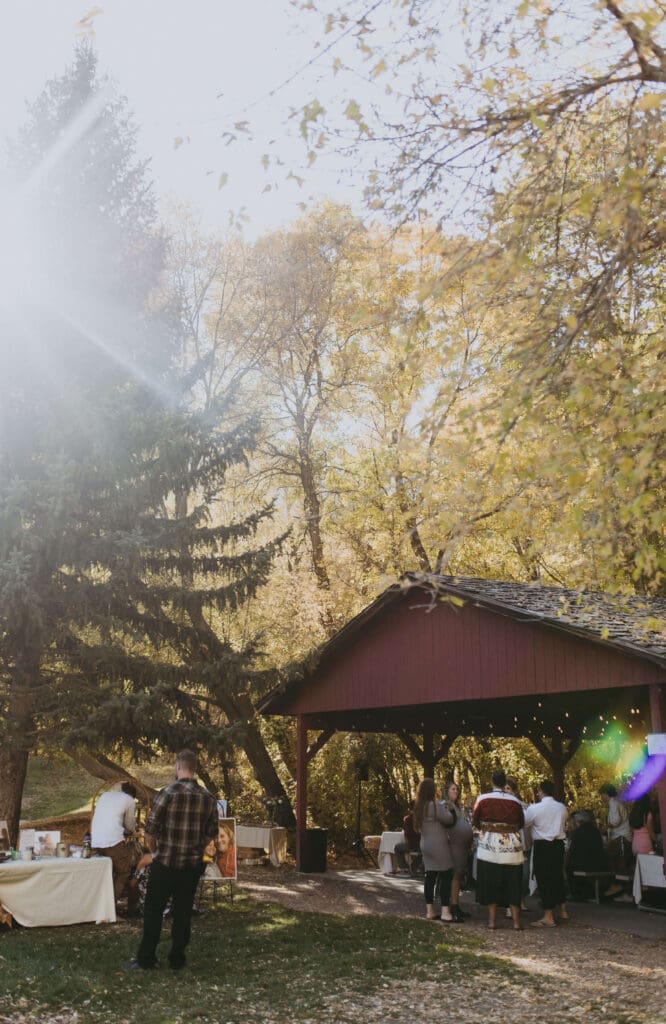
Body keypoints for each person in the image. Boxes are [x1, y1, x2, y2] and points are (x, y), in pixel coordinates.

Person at [128, 750, 218, 972]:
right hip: (192, 864)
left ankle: (146, 959)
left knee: (153, 910)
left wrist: (155, 851)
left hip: (166, 862)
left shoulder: (166, 793)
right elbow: (211, 832)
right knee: (183, 912)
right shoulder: (208, 797)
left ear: (178, 767)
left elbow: (150, 830)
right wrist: (196, 847)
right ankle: (177, 959)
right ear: (194, 768)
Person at [472, 768, 524, 931]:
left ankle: (492, 922)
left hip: (490, 847)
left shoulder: (483, 798)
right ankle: (516, 922)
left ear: (492, 782)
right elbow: (521, 822)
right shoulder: (515, 801)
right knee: (513, 883)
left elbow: (475, 820)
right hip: (511, 847)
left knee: (490, 882)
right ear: (504, 783)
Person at [524, 780, 568, 927]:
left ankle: (548, 916)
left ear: (541, 791)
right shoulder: (562, 808)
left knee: (544, 879)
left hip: (543, 846)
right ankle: (563, 909)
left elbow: (524, 821)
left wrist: (526, 809)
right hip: (558, 845)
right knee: (557, 876)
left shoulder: (535, 808)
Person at [413, 778, 456, 922]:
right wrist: (449, 809)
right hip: (438, 844)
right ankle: (445, 911)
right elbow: (449, 819)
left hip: (425, 844)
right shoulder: (434, 805)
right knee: (446, 874)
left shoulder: (419, 807)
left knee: (430, 876)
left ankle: (429, 910)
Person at [91, 782, 138, 907]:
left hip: (95, 841)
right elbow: (129, 824)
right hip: (112, 841)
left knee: (103, 872)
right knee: (123, 871)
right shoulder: (129, 800)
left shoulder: (105, 795)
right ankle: (109, 906)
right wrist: (134, 831)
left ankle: (96, 904)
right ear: (132, 795)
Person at [443, 781, 473, 922]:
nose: (456, 791)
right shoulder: (445, 805)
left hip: (461, 846)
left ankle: (456, 904)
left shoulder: (457, 807)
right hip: (452, 845)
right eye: (453, 789)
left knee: (458, 875)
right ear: (446, 791)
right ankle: (451, 907)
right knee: (454, 875)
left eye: (457, 789)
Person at [599, 782, 633, 897]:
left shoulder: (613, 803)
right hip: (622, 837)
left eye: (602, 794)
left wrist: (606, 827)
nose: (601, 797)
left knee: (620, 864)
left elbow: (615, 820)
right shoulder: (617, 802)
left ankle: (625, 891)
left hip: (621, 837)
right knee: (620, 863)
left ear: (605, 794)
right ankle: (621, 889)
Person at [566, 810, 608, 901]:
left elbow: (572, 851)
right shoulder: (596, 831)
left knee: (568, 866)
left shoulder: (577, 833)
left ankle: (574, 893)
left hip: (583, 865)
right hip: (598, 864)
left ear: (578, 821)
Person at [505, 776, 530, 913]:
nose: (506, 791)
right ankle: (511, 905)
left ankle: (522, 899)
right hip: (510, 845)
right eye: (505, 789)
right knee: (512, 876)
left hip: (523, 845)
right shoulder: (503, 805)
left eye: (509, 788)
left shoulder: (522, 805)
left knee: (525, 875)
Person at [393, 805, 421, 874]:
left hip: (413, 845)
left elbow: (407, 833)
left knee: (397, 847)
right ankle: (414, 866)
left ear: (410, 810)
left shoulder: (408, 819)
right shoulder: (422, 818)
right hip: (424, 844)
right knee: (421, 852)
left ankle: (404, 867)